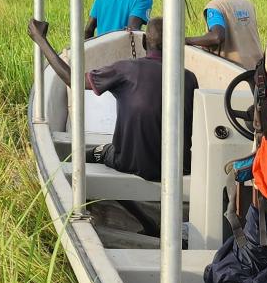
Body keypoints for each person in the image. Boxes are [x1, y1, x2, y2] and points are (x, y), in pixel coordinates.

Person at [28, 15, 196, 181]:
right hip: (180, 167)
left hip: (130, 163)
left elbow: (73, 80)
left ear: (144, 42)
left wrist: (40, 39)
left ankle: (68, 167)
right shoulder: (189, 78)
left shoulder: (126, 69)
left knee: (100, 151)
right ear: (176, 44)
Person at [186, 0, 265, 68]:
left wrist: (186, 40)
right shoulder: (247, 3)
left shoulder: (215, 7)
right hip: (257, 69)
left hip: (235, 73)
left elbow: (217, 37)